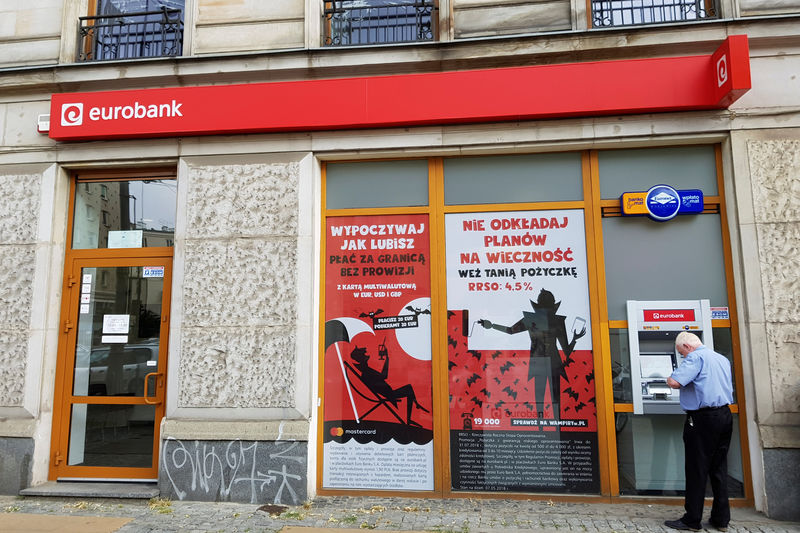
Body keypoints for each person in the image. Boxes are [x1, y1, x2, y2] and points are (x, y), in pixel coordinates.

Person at [664, 331, 734, 532]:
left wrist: (669, 377)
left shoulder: (695, 357)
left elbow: (675, 382)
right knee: (719, 467)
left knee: (697, 468)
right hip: (724, 415)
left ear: (687, 347)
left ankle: (692, 519)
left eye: (681, 353)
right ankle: (721, 519)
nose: (683, 356)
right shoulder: (720, 358)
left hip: (703, 419)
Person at [480, 288, 586, 418]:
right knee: (555, 400)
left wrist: (491, 326)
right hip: (553, 364)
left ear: (538, 303)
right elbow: (567, 351)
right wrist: (575, 339)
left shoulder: (531, 318)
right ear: (553, 304)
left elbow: (510, 331)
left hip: (539, 363)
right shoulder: (557, 321)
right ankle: (557, 427)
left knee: (540, 400)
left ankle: (541, 427)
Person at [349, 346, 429, 427]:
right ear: (361, 358)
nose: (367, 355)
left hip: (387, 392)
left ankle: (415, 406)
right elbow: (384, 376)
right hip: (389, 394)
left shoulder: (366, 371)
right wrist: (387, 358)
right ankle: (411, 416)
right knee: (409, 389)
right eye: (364, 354)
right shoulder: (367, 372)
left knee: (409, 388)